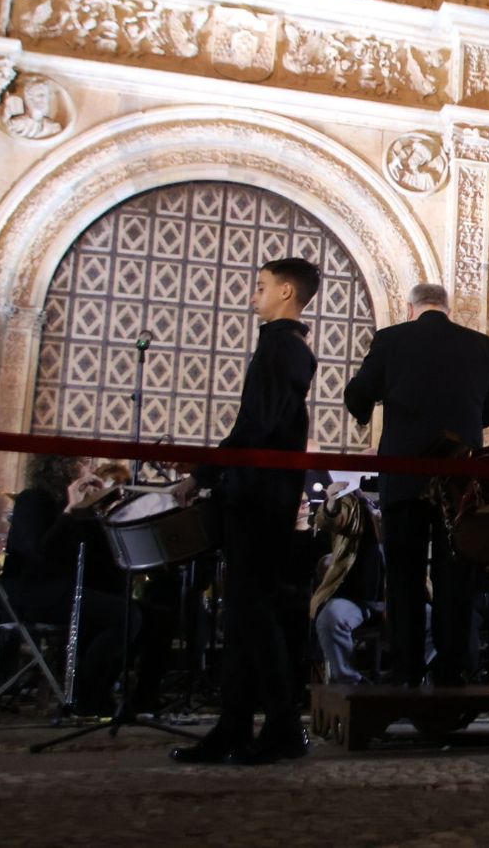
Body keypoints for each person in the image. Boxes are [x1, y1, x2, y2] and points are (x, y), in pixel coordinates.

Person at [169, 257, 319, 764]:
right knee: (244, 613)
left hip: (260, 496)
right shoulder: (283, 347)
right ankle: (234, 725)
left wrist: (203, 473)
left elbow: (255, 427)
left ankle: (280, 725)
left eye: (261, 287)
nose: (253, 295)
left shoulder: (281, 348)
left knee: (254, 612)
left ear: (286, 292)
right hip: (263, 492)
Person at [344, 283, 489, 687]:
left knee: (404, 574)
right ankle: (453, 669)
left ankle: (406, 669)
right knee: (455, 574)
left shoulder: (391, 340)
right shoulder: (479, 345)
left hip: (404, 475)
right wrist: (466, 421)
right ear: (447, 308)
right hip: (458, 477)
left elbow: (358, 394)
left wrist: (374, 407)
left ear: (410, 307)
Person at [0, 455, 136, 715]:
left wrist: (99, 511)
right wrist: (71, 510)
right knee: (126, 616)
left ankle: (102, 697)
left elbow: (100, 560)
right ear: (61, 465)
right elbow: (38, 553)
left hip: (63, 591)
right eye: (84, 462)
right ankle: (87, 696)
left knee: (138, 613)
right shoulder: (33, 499)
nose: (90, 468)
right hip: (32, 594)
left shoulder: (69, 506)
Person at [309, 486, 386, 685]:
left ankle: (402, 682)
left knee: (434, 620)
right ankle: (352, 684)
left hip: (396, 596)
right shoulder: (352, 501)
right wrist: (333, 501)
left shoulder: (401, 497)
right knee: (330, 618)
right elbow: (328, 520)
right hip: (353, 598)